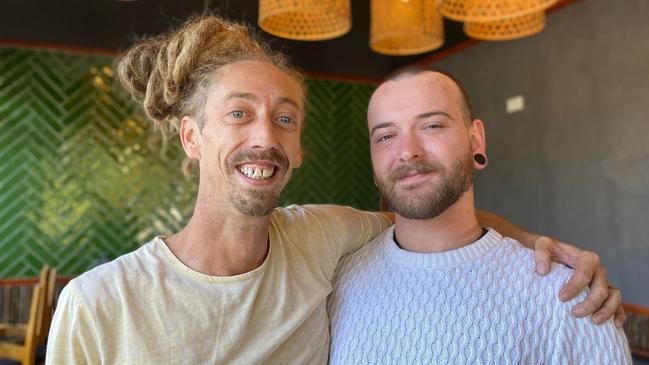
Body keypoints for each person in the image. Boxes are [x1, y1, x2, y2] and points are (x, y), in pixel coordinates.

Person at [46, 16, 622, 364]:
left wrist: (540, 244)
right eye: (239, 113)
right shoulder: (99, 305)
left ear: (298, 150)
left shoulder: (320, 239)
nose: (264, 137)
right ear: (192, 137)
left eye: (285, 119)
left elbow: (431, 216)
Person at [327, 68, 631, 364]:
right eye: (385, 136)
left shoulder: (565, 293)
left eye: (431, 125)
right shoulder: (336, 282)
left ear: (476, 140)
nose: (407, 151)